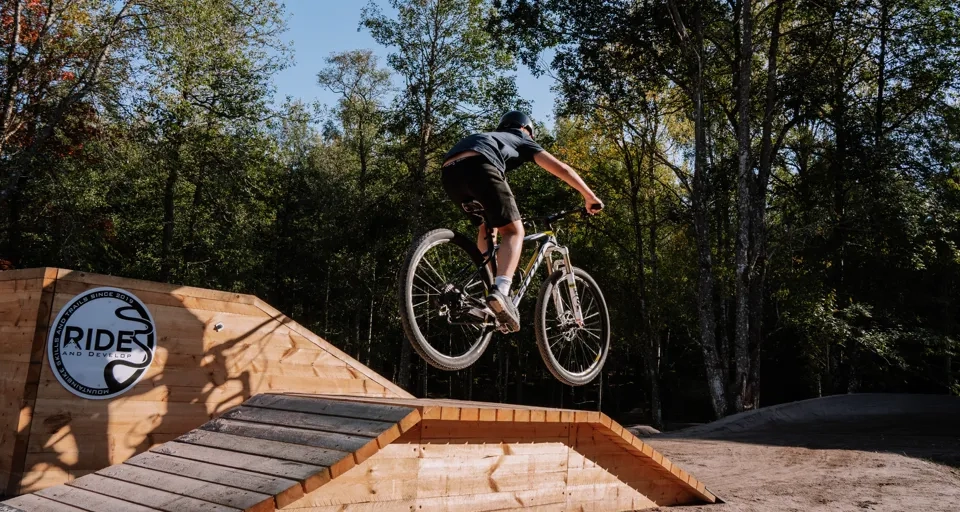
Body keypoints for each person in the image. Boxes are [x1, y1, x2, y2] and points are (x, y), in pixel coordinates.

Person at [440, 111, 604, 333]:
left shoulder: (494, 137)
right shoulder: (521, 137)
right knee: (514, 231)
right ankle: (501, 292)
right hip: (480, 164)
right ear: (527, 129)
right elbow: (561, 168)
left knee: (487, 228)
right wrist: (589, 197)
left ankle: (489, 290)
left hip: (450, 172)